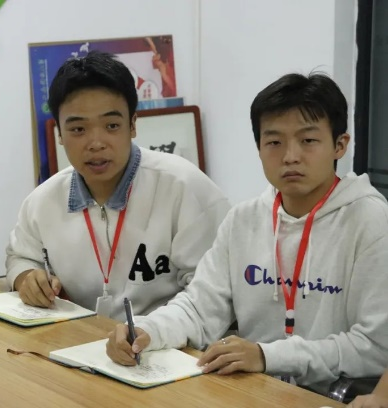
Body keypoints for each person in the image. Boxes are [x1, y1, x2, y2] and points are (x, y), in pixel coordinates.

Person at [106, 72, 388, 394]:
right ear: (259, 148)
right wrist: (147, 330)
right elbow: (199, 307)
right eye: (274, 142)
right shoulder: (243, 219)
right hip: (252, 391)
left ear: (340, 145)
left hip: (330, 397)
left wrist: (268, 356)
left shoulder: (371, 221)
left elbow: (374, 347)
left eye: (308, 140)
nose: (290, 156)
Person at [5, 51, 230, 321]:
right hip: (79, 338)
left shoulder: (185, 188)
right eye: (78, 129)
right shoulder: (42, 201)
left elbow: (212, 292)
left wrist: (155, 331)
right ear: (60, 134)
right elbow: (20, 256)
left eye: (111, 125)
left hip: (170, 341)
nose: (96, 143)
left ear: (133, 124)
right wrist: (27, 278)